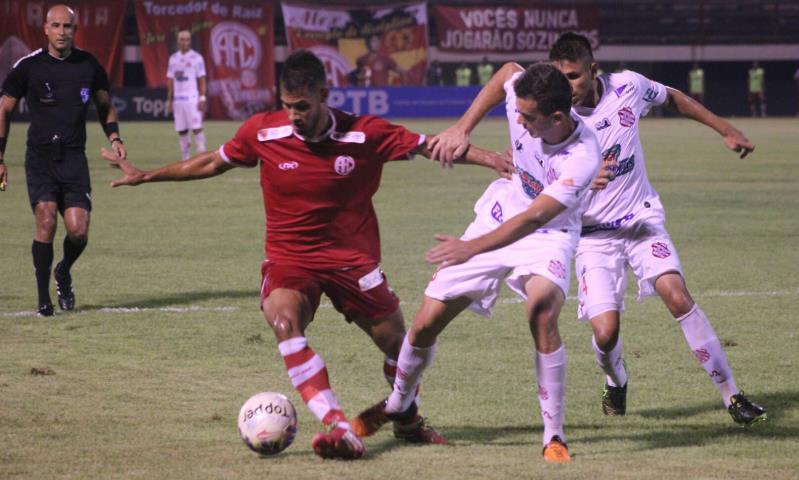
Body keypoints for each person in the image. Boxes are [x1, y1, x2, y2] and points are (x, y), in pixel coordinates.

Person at [102, 50, 505, 460]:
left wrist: (491, 159)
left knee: (401, 350)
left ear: (324, 96)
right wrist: (146, 175)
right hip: (290, 260)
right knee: (285, 322)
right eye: (287, 105)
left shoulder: (364, 133)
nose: (293, 115)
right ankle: (340, 427)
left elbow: (430, 146)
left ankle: (407, 420)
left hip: (353, 260)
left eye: (302, 106)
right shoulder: (263, 132)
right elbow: (211, 162)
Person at [350, 63, 604, 464]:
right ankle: (398, 402)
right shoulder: (523, 100)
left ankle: (553, 435)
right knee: (425, 323)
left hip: (549, 234)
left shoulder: (583, 155)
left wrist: (472, 248)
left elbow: (536, 218)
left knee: (542, 313)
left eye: (528, 117)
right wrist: (462, 128)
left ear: (557, 118)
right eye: (518, 112)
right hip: (499, 214)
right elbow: (507, 72)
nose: (518, 121)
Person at [545, 32, 766, 426]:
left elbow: (673, 98)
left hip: (640, 221)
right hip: (593, 237)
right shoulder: (553, 120)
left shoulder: (628, 87)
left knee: (677, 296)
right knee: (605, 334)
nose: (567, 86)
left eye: (573, 76)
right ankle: (616, 380)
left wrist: (725, 129)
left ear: (593, 70)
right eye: (559, 78)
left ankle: (732, 395)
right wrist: (582, 179)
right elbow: (542, 184)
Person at [0, 4, 126, 317]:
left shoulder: (88, 65)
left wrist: (115, 137)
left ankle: (63, 271)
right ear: (45, 29)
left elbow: (105, 105)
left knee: (78, 230)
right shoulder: (28, 67)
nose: (61, 32)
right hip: (40, 158)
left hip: (73, 158)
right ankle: (44, 301)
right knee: (46, 219)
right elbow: (4, 109)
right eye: (55, 25)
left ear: (75, 30)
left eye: (67, 26)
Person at [166, 30, 207, 160]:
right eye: (182, 39)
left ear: (190, 41)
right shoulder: (173, 59)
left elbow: (202, 79)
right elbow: (170, 80)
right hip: (178, 100)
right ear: (177, 41)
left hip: (192, 99)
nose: (184, 42)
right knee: (182, 130)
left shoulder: (197, 58)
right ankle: (185, 158)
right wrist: (169, 100)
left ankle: (202, 156)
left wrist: (202, 97)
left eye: (187, 39)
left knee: (196, 128)